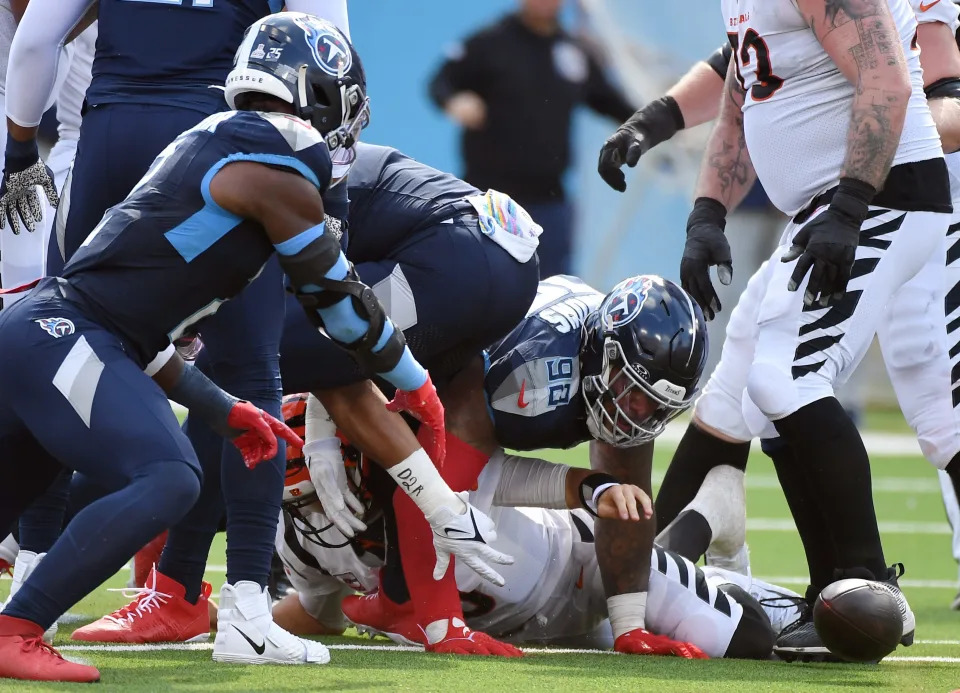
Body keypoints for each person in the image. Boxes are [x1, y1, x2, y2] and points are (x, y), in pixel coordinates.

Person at [0, 14, 507, 682]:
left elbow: (136, 317)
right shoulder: (278, 173)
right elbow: (342, 304)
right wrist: (415, 382)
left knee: (28, 485)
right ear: (324, 96)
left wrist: (218, 405)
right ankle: (19, 627)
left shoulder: (212, 138)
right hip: (68, 336)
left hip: (53, 335)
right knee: (170, 476)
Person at [73, 141, 542, 656]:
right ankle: (410, 604)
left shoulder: (252, 179)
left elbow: (330, 329)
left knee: (234, 365)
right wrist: (321, 431)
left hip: (452, 263)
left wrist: (419, 492)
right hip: (507, 272)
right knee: (320, 377)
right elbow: (336, 340)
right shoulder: (293, 161)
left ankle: (175, 587)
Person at [0, 0, 355, 666]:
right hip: (219, 128)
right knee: (250, 365)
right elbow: (329, 49)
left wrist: (20, 149)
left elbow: (35, 41)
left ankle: (33, 580)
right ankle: (247, 607)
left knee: (72, 327)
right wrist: (332, 200)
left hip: (108, 130)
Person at [601, 0, 953, 658]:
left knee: (788, 376)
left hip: (882, 193)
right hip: (829, 203)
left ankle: (866, 588)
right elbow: (745, 93)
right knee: (744, 384)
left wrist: (850, 208)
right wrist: (707, 213)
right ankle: (658, 579)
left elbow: (888, 79)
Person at [325, 273, 711, 657]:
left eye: (656, 406)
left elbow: (630, 508)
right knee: (442, 508)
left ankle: (398, 597)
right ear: (602, 351)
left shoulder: (623, 385)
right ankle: (397, 596)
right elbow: (429, 484)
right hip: (407, 373)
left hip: (433, 394)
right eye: (633, 393)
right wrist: (442, 622)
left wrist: (629, 627)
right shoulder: (530, 374)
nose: (639, 414)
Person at [275, 392, 791, 660]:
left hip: (586, 573)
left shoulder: (426, 482)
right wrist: (233, 615)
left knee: (750, 637)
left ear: (363, 459)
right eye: (304, 503)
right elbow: (321, 614)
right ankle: (705, 517)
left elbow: (518, 477)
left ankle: (712, 512)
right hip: (538, 631)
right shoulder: (301, 540)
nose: (322, 514)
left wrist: (596, 487)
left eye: (325, 491)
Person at [427, 0, 635, 277]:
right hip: (489, 198)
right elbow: (441, 82)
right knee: (478, 284)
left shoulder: (574, 51)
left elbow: (612, 103)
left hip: (550, 201)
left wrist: (662, 120)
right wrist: (455, 101)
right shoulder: (491, 41)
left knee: (553, 291)